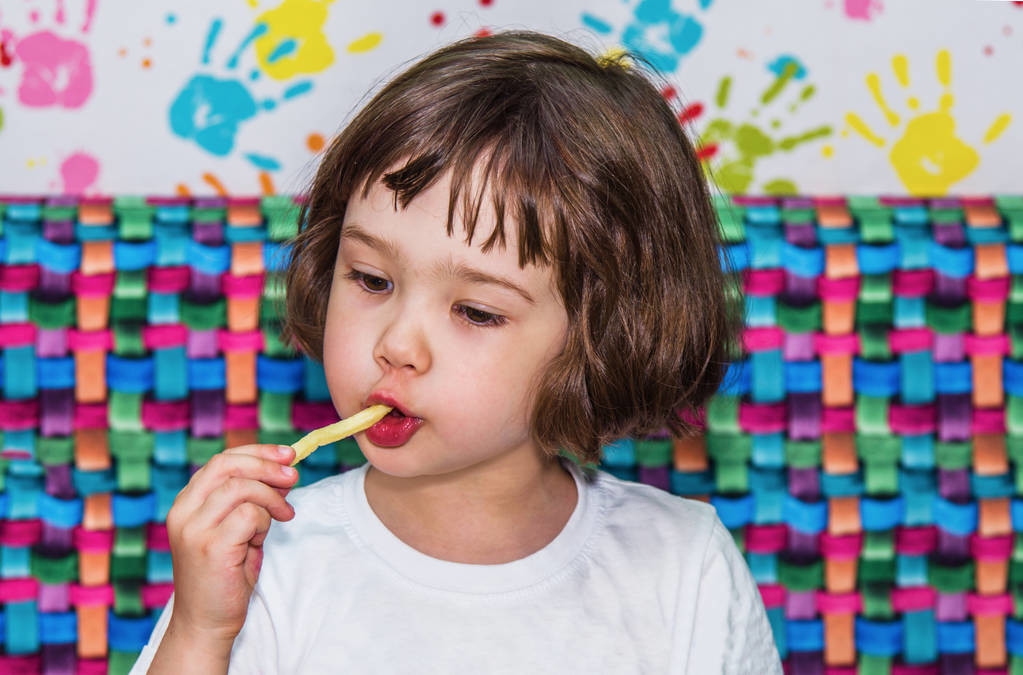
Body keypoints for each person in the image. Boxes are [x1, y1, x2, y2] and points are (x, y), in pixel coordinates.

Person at [132, 30, 781, 673]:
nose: (396, 343)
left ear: (603, 336)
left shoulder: (684, 569)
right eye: (370, 279)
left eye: (475, 310)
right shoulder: (265, 563)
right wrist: (199, 632)